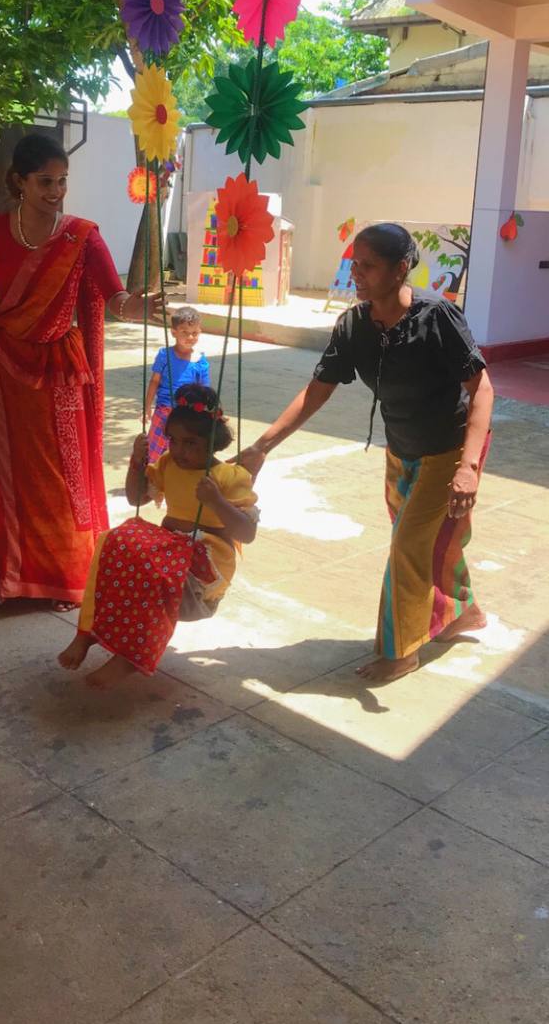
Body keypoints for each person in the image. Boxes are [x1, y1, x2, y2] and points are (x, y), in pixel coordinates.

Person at [243, 222, 494, 685]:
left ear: (400, 270)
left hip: (449, 448)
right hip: (401, 449)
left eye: (368, 265)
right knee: (434, 538)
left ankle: (400, 652)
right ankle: (463, 611)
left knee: (408, 547)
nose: (355, 273)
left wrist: (468, 467)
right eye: (353, 263)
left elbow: (481, 390)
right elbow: (316, 391)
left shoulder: (437, 317)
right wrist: (262, 446)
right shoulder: (354, 325)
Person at [0, 132, 163, 620]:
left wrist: (136, 306)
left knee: (62, 476)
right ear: (19, 181)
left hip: (58, 372)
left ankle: (64, 575)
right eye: (45, 181)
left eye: (63, 181)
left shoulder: (81, 235)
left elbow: (113, 296)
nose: (56, 191)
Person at [58, 382, 258, 689]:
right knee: (114, 542)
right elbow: (136, 499)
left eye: (190, 443)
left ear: (212, 442)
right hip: (169, 550)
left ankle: (130, 659)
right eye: (173, 441)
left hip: (205, 563)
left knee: (152, 573)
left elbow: (247, 533)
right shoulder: (167, 463)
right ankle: (87, 633)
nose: (179, 450)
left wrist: (216, 501)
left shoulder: (229, 477)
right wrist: (137, 462)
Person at [145, 305, 210, 463]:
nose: (190, 337)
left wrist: (210, 413)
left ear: (200, 332)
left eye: (194, 333)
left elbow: (205, 391)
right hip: (163, 411)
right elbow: (155, 381)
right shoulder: (164, 355)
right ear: (174, 332)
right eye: (185, 333)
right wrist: (147, 407)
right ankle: (151, 480)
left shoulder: (200, 361)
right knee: (154, 450)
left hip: (187, 413)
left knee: (180, 452)